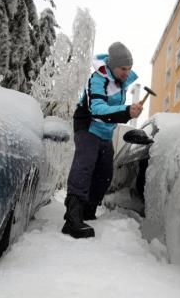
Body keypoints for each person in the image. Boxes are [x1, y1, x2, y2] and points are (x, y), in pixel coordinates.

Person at [62, 42, 143, 238]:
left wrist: (128, 111)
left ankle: (88, 211)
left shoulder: (121, 82)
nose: (126, 73)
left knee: (105, 173)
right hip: (88, 126)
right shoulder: (98, 79)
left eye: (129, 69)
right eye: (123, 69)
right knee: (85, 165)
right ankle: (72, 218)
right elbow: (97, 110)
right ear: (112, 65)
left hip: (105, 132)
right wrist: (126, 111)